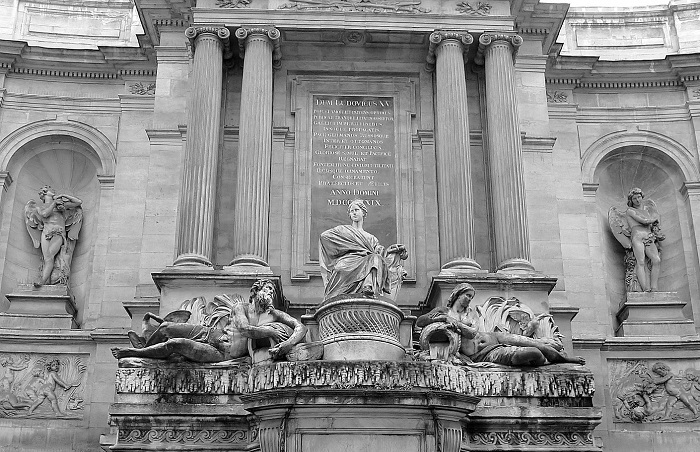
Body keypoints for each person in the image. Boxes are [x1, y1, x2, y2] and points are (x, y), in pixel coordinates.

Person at [112, 279, 307, 362]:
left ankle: (137, 353)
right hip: (211, 334)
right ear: (255, 292)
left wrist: (287, 344)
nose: (270, 294)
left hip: (221, 352)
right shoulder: (241, 308)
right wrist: (271, 332)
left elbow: (301, 327)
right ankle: (146, 343)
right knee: (166, 327)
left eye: (272, 292)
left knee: (175, 343)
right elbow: (245, 329)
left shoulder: (274, 314)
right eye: (267, 290)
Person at [416, 284, 585, 367]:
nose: (469, 299)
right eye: (467, 295)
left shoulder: (469, 314)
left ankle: (563, 359)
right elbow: (420, 321)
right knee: (532, 352)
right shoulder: (444, 311)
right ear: (457, 295)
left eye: (471, 297)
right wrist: (445, 320)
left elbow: (472, 331)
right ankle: (542, 362)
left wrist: (457, 325)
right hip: (483, 354)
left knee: (535, 343)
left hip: (494, 338)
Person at [319, 199, 407, 299]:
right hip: (348, 260)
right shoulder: (343, 230)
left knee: (375, 258)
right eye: (352, 211)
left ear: (363, 213)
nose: (354, 213)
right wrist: (346, 246)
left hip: (369, 260)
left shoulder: (372, 238)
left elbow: (381, 256)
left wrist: (391, 251)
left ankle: (368, 286)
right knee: (342, 267)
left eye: (357, 210)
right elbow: (324, 236)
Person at [24, 185, 83, 285]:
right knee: (47, 258)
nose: (53, 190)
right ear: (45, 192)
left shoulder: (61, 205)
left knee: (50, 255)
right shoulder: (40, 207)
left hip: (58, 232)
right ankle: (45, 280)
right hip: (45, 232)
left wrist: (65, 196)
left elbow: (78, 202)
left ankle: (42, 281)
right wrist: (54, 203)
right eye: (50, 189)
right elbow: (44, 214)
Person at [625, 188, 663, 292]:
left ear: (642, 197)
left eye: (639, 197)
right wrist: (654, 219)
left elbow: (651, 224)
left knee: (656, 260)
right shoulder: (630, 211)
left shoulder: (646, 211)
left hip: (649, 236)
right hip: (637, 236)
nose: (637, 200)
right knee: (640, 262)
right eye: (634, 198)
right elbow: (643, 221)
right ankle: (646, 288)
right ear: (631, 200)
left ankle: (654, 288)